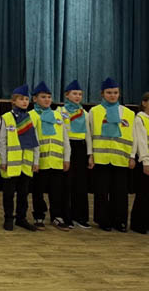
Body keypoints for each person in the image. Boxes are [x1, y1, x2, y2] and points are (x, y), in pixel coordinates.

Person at [90, 77, 135, 232]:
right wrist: (90, 154)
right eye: (109, 93)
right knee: (101, 192)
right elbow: (90, 134)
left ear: (119, 94)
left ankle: (120, 221)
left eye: (115, 92)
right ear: (102, 94)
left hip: (121, 158)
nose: (112, 95)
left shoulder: (128, 113)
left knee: (120, 192)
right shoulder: (95, 111)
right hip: (101, 158)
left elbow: (133, 136)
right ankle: (103, 220)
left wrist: (132, 156)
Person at [29, 81, 71, 231]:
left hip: (57, 161)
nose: (47, 100)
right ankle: (39, 216)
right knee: (38, 190)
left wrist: (66, 158)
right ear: (35, 99)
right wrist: (34, 161)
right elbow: (32, 140)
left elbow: (65, 138)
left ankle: (57, 216)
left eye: (49, 97)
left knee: (57, 191)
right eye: (43, 97)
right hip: (40, 161)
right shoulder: (32, 115)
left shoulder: (58, 115)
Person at [0, 84, 39, 231]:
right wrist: (3, 160)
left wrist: (35, 161)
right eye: (21, 99)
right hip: (11, 163)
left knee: (23, 193)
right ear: (14, 101)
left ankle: (21, 218)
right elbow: (2, 141)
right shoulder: (7, 117)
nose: (24, 102)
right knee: (9, 193)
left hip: (26, 163)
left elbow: (35, 141)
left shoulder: (31, 118)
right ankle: (8, 218)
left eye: (26, 99)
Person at [59, 80, 92, 229]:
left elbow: (88, 135)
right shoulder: (60, 111)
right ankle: (66, 216)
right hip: (66, 147)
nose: (77, 96)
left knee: (81, 184)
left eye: (79, 94)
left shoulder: (85, 113)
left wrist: (90, 154)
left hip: (81, 148)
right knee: (66, 184)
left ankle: (81, 217)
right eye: (74, 94)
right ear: (67, 95)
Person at [130, 92, 149, 234]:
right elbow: (141, 142)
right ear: (144, 103)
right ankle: (139, 223)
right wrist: (146, 161)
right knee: (145, 192)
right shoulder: (140, 119)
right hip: (147, 160)